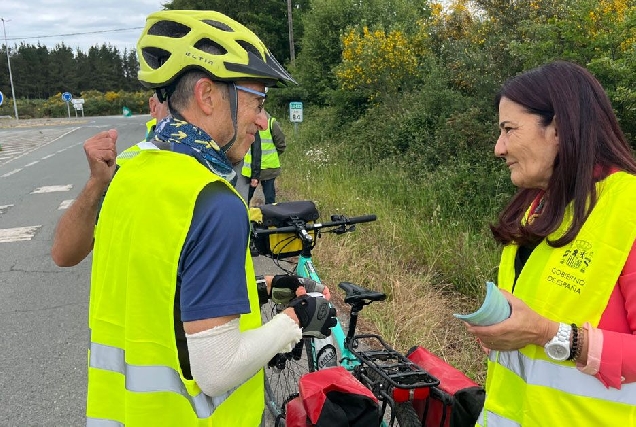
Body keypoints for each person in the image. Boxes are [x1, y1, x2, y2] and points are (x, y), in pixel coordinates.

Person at [75, 10, 336, 426]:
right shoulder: (214, 201)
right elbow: (217, 370)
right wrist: (294, 321)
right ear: (208, 95)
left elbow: (163, 286)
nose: (261, 120)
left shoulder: (130, 172)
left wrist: (261, 289)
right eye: (257, 101)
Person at [464, 60, 636, 426]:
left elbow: (543, 329)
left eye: (509, 130)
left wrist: (548, 334)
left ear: (559, 127)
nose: (499, 148)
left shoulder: (628, 206)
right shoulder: (538, 207)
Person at [242, 109, 286, 204]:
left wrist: (269, 157)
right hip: (250, 169)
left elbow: (281, 145)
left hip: (268, 169)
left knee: (269, 199)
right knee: (245, 198)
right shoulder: (247, 122)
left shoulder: (272, 124)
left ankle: (270, 218)